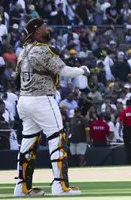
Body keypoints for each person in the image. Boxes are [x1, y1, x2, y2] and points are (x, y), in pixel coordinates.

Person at [13, 18, 91, 197]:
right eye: (44, 27)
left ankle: (22, 187)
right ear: (37, 31)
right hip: (42, 99)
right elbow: (64, 71)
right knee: (58, 138)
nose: (47, 29)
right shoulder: (43, 50)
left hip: (24, 100)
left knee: (28, 143)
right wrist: (82, 70)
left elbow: (16, 78)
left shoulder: (24, 51)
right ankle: (60, 186)